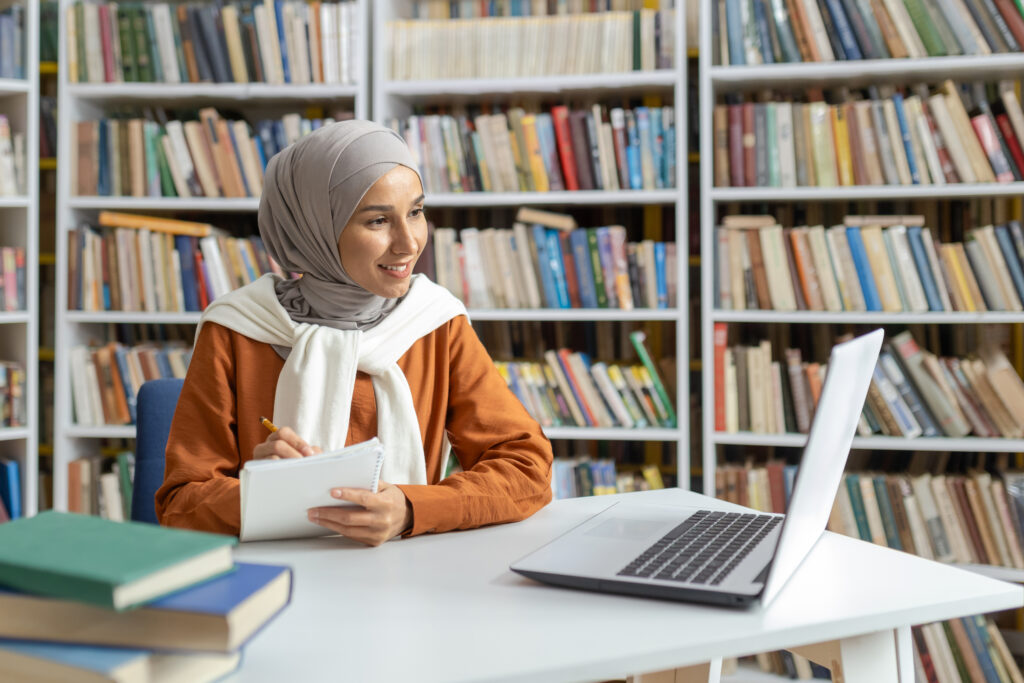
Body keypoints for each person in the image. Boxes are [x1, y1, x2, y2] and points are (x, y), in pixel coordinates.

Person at [155, 120, 553, 546]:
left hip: (407, 572)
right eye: (378, 220)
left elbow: (527, 469)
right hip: (276, 576)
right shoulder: (237, 329)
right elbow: (181, 504)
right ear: (314, 228)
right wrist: (259, 491)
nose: (409, 243)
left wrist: (410, 507)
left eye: (416, 213)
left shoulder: (435, 323)